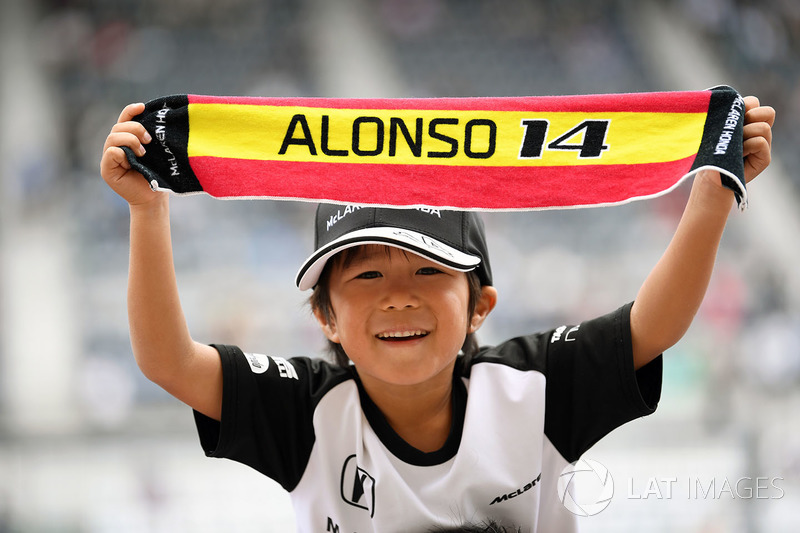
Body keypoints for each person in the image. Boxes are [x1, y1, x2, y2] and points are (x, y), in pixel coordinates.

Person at [100, 97, 775, 532]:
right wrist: (147, 209)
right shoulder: (304, 409)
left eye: (429, 269)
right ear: (325, 316)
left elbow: (650, 327)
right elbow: (167, 360)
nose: (399, 294)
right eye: (366, 273)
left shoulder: (532, 388)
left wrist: (712, 197)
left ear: (482, 303)